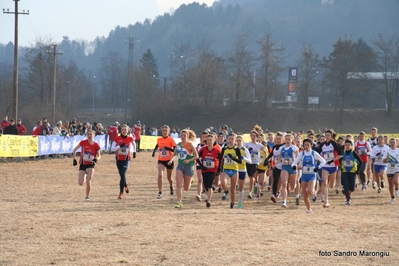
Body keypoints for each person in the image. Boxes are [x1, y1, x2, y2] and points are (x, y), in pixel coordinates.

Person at [291, 139, 326, 213]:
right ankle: (309, 209)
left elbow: (323, 161)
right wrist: (294, 166)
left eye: (308, 145)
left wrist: (318, 168)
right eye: (305, 145)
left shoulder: (314, 153)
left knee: (309, 190)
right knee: (305, 194)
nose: (306, 146)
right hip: (304, 175)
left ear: (311, 145)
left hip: (312, 175)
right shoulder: (301, 154)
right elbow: (294, 162)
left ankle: (314, 193)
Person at [169, 129, 198, 208]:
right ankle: (179, 202)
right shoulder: (178, 145)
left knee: (186, 188)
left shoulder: (190, 145)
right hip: (180, 166)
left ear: (187, 137)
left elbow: (196, 156)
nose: (183, 137)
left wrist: (188, 160)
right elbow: (174, 154)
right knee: (178, 184)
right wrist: (171, 160)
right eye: (181, 135)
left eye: (184, 135)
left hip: (189, 166)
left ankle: (191, 180)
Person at [72, 130, 101, 201]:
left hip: (91, 164)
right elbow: (74, 150)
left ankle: (87, 196)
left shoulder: (96, 145)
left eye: (91, 134)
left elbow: (99, 155)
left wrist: (96, 159)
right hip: (83, 163)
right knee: (80, 183)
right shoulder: (83, 142)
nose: (89, 136)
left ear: (94, 135)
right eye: (88, 134)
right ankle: (85, 174)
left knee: (89, 181)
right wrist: (74, 159)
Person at [317, 129, 342, 208]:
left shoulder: (334, 144)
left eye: (328, 136)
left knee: (331, 185)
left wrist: (332, 160)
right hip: (325, 166)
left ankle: (333, 186)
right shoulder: (322, 145)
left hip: (333, 166)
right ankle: (326, 201)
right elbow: (316, 153)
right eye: (326, 136)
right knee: (324, 182)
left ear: (331, 137)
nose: (327, 137)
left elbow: (341, 155)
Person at [152, 125, 176, 199]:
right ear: (161, 131)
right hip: (161, 160)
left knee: (169, 178)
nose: (165, 132)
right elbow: (157, 145)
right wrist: (153, 152)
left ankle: (171, 186)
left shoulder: (171, 140)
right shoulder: (159, 139)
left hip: (169, 160)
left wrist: (168, 148)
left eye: (166, 131)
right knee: (160, 175)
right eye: (163, 131)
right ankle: (160, 192)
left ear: (169, 132)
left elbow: (176, 150)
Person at [218, 133, 242, 209]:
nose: (230, 140)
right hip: (226, 169)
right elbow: (220, 158)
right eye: (229, 139)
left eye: (232, 139)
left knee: (233, 189)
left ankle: (232, 203)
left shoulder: (236, 149)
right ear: (227, 139)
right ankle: (225, 191)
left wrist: (233, 158)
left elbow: (240, 161)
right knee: (222, 182)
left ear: (235, 140)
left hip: (234, 170)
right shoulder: (224, 148)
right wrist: (219, 168)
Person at [197, 134, 221, 208]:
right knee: (206, 185)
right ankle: (208, 195)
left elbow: (221, 159)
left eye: (210, 140)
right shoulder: (203, 149)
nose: (209, 142)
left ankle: (209, 201)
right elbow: (197, 157)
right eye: (208, 140)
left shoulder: (217, 151)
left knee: (209, 185)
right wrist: (201, 165)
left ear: (214, 141)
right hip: (205, 170)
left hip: (213, 170)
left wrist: (219, 169)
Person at [113, 125, 136, 199]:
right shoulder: (117, 138)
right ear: (121, 130)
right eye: (122, 129)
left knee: (123, 174)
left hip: (127, 159)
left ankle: (121, 193)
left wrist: (134, 152)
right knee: (121, 175)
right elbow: (112, 148)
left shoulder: (130, 138)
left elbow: (134, 144)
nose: (124, 131)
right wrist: (119, 146)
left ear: (127, 130)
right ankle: (125, 185)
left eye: (125, 129)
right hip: (119, 159)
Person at [279, 133, 299, 208]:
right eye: (286, 139)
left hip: (292, 168)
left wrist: (292, 162)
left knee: (293, 186)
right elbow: (280, 157)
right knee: (284, 184)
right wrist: (277, 164)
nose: (287, 141)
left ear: (292, 140)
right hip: (284, 167)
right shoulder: (282, 148)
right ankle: (284, 201)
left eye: (289, 139)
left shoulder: (294, 148)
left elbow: (298, 158)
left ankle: (296, 192)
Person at [244, 130, 266, 199]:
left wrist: (264, 160)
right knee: (251, 177)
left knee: (251, 176)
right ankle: (255, 184)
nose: (253, 137)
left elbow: (265, 151)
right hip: (249, 162)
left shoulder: (259, 145)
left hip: (256, 163)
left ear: (256, 137)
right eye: (252, 136)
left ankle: (250, 192)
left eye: (254, 136)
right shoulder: (247, 144)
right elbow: (242, 148)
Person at [340, 140, 363, 206]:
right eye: (346, 145)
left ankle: (350, 192)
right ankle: (348, 200)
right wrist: (341, 167)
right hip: (345, 172)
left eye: (348, 145)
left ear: (351, 146)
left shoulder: (353, 153)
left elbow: (360, 161)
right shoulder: (343, 153)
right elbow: (340, 160)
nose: (347, 146)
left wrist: (358, 170)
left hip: (352, 172)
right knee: (346, 187)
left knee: (351, 188)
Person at [236, 134, 252, 208]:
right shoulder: (234, 149)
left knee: (240, 187)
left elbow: (250, 161)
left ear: (242, 141)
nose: (238, 142)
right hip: (234, 169)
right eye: (237, 141)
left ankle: (240, 201)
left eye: (240, 141)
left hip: (242, 169)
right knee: (233, 186)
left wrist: (244, 158)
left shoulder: (245, 149)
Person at [384, 138, 399, 204]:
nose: (392, 143)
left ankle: (397, 188)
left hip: (397, 168)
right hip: (390, 169)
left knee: (395, 181)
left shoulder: (398, 150)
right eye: (391, 142)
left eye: (394, 142)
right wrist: (386, 159)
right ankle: (392, 197)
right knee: (390, 185)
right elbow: (384, 161)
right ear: (389, 143)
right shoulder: (387, 151)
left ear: (396, 143)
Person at [195, 131, 208, 201]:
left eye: (206, 137)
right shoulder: (198, 146)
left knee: (205, 180)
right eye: (203, 136)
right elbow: (195, 156)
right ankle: (199, 194)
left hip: (207, 165)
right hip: (199, 164)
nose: (204, 138)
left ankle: (207, 195)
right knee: (200, 180)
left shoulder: (209, 146)